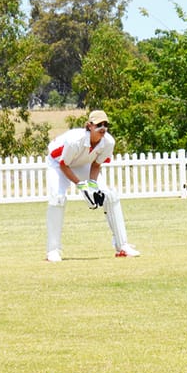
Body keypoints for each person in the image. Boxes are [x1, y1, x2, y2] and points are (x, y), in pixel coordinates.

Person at [45, 110, 140, 262]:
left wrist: (92, 185)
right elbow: (64, 165)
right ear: (89, 126)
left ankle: (122, 246)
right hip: (58, 162)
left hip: (83, 163)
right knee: (57, 198)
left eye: (105, 125)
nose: (103, 128)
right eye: (99, 124)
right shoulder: (74, 140)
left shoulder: (108, 142)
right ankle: (53, 250)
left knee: (109, 196)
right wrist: (81, 186)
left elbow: (96, 165)